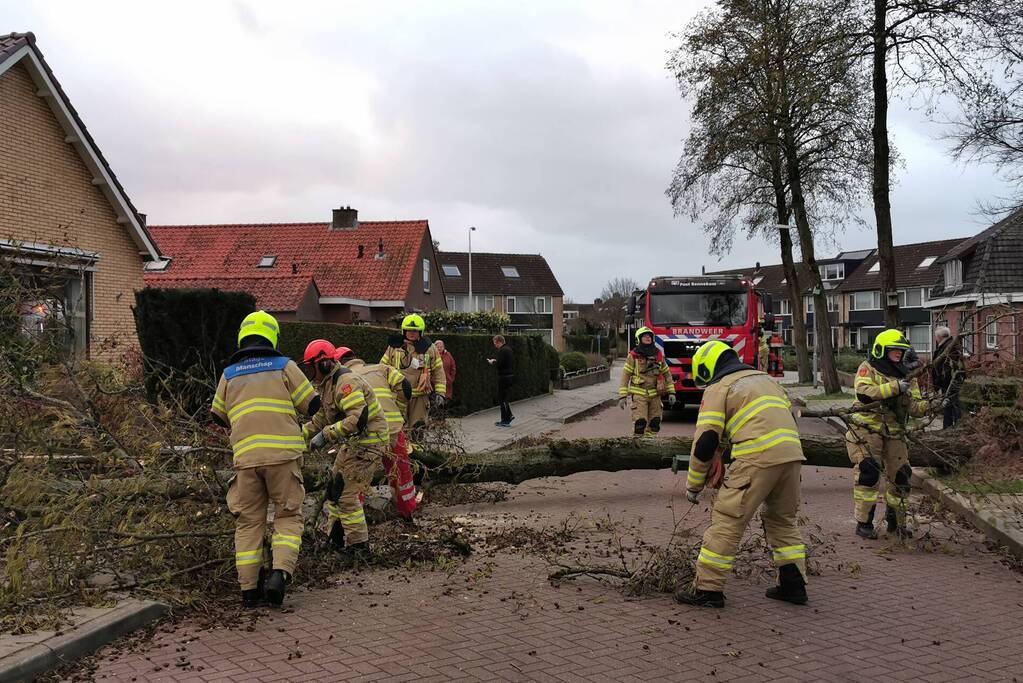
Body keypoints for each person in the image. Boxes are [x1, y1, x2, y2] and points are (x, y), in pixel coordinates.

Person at [675, 340, 807, 609]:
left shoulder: (719, 387)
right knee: (783, 521)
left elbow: (705, 441)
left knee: (727, 520)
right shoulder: (767, 381)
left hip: (756, 457)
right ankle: (794, 586)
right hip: (792, 457)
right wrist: (722, 454)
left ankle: (708, 590)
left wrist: (694, 485)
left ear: (708, 367)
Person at [210, 311, 319, 608]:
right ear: (272, 336)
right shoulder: (285, 366)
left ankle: (248, 590)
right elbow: (313, 404)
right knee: (287, 516)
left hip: (245, 460)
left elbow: (217, 415)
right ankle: (279, 575)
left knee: (247, 523)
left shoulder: (228, 374)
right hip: (283, 457)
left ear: (243, 336)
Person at [301, 339, 389, 557]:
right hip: (355, 443)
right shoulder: (329, 385)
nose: (310, 373)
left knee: (347, 494)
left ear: (324, 364)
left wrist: (325, 435)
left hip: (369, 443)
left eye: (311, 367)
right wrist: (300, 434)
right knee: (334, 487)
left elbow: (357, 419)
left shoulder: (345, 382)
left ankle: (359, 546)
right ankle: (336, 537)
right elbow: (322, 416)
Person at [846, 329, 929, 540]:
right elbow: (864, 393)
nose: (898, 354)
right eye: (894, 350)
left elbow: (915, 407)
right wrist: (894, 387)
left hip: (894, 432)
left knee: (902, 474)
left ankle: (896, 522)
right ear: (882, 350)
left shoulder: (908, 376)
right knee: (868, 471)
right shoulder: (868, 368)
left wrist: (934, 404)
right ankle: (864, 522)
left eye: (901, 351)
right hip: (866, 428)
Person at [334, 346, 418, 521]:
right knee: (400, 471)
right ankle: (407, 511)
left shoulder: (343, 379)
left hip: (368, 433)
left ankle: (357, 516)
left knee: (357, 474)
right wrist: (399, 411)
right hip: (394, 429)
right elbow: (405, 386)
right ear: (355, 357)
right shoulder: (380, 368)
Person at [380, 314, 447, 448]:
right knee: (398, 428)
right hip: (398, 396)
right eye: (409, 330)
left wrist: (440, 393)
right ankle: (399, 456)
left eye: (415, 331)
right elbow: (382, 368)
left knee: (418, 428)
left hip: (419, 396)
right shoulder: (394, 346)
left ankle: (418, 455)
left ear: (420, 332)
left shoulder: (429, 348)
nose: (411, 333)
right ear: (404, 331)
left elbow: (439, 370)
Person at [617, 327, 676, 435]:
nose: (648, 337)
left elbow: (667, 374)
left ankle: (650, 445)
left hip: (655, 395)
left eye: (649, 336)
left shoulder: (658, 355)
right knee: (640, 423)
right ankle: (637, 447)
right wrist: (622, 396)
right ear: (638, 339)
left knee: (655, 423)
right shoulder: (633, 356)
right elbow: (625, 376)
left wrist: (672, 392)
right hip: (640, 395)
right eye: (644, 336)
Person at [931, 326, 965, 429]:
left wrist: (939, 381)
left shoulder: (948, 348)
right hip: (951, 382)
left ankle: (951, 427)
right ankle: (949, 427)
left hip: (949, 383)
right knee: (949, 405)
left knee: (951, 405)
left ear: (939, 337)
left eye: (936, 337)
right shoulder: (951, 345)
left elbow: (946, 369)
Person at [488, 335, 514, 427]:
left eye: (495, 343)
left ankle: (506, 418)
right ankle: (507, 417)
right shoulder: (509, 349)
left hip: (504, 377)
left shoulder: (502, 350)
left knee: (502, 398)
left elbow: (500, 364)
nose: (494, 345)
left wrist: (493, 362)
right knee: (504, 398)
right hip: (509, 376)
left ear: (499, 342)